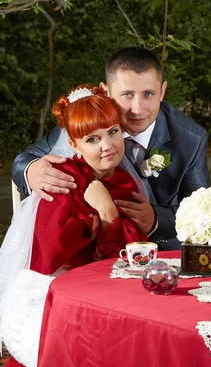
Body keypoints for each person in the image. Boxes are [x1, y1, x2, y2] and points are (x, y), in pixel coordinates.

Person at [0, 85, 147, 367]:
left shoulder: (124, 182)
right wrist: (93, 222)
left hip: (106, 286)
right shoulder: (61, 178)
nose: (108, 146)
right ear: (74, 144)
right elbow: (51, 250)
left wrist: (107, 210)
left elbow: (129, 254)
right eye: (93, 139)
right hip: (57, 291)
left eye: (113, 132)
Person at [12, 47, 211, 250]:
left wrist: (156, 220)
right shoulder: (87, 121)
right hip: (91, 248)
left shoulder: (191, 139)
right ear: (106, 91)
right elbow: (24, 160)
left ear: (162, 91)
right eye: (127, 95)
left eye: (148, 94)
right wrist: (31, 170)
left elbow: (202, 210)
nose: (137, 109)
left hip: (160, 251)